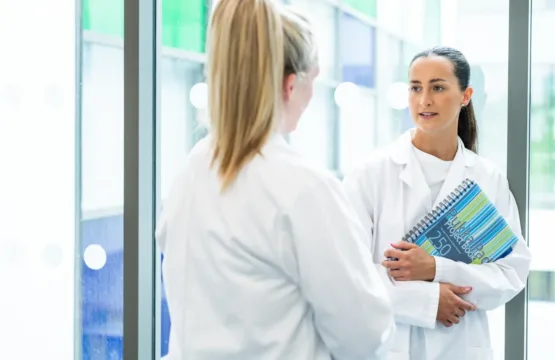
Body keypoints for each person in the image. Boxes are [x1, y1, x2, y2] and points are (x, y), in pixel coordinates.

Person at [155, 1, 395, 359]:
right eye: (312, 82)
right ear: (289, 84)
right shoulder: (302, 187)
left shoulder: (192, 169)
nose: (311, 97)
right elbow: (363, 334)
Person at [342, 46, 532, 360]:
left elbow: (511, 273)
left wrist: (436, 268)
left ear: (465, 95)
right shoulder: (370, 173)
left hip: (462, 347)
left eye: (438, 87)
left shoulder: (487, 179)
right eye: (415, 87)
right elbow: (349, 274)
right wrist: (430, 301)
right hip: (389, 346)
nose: (424, 100)